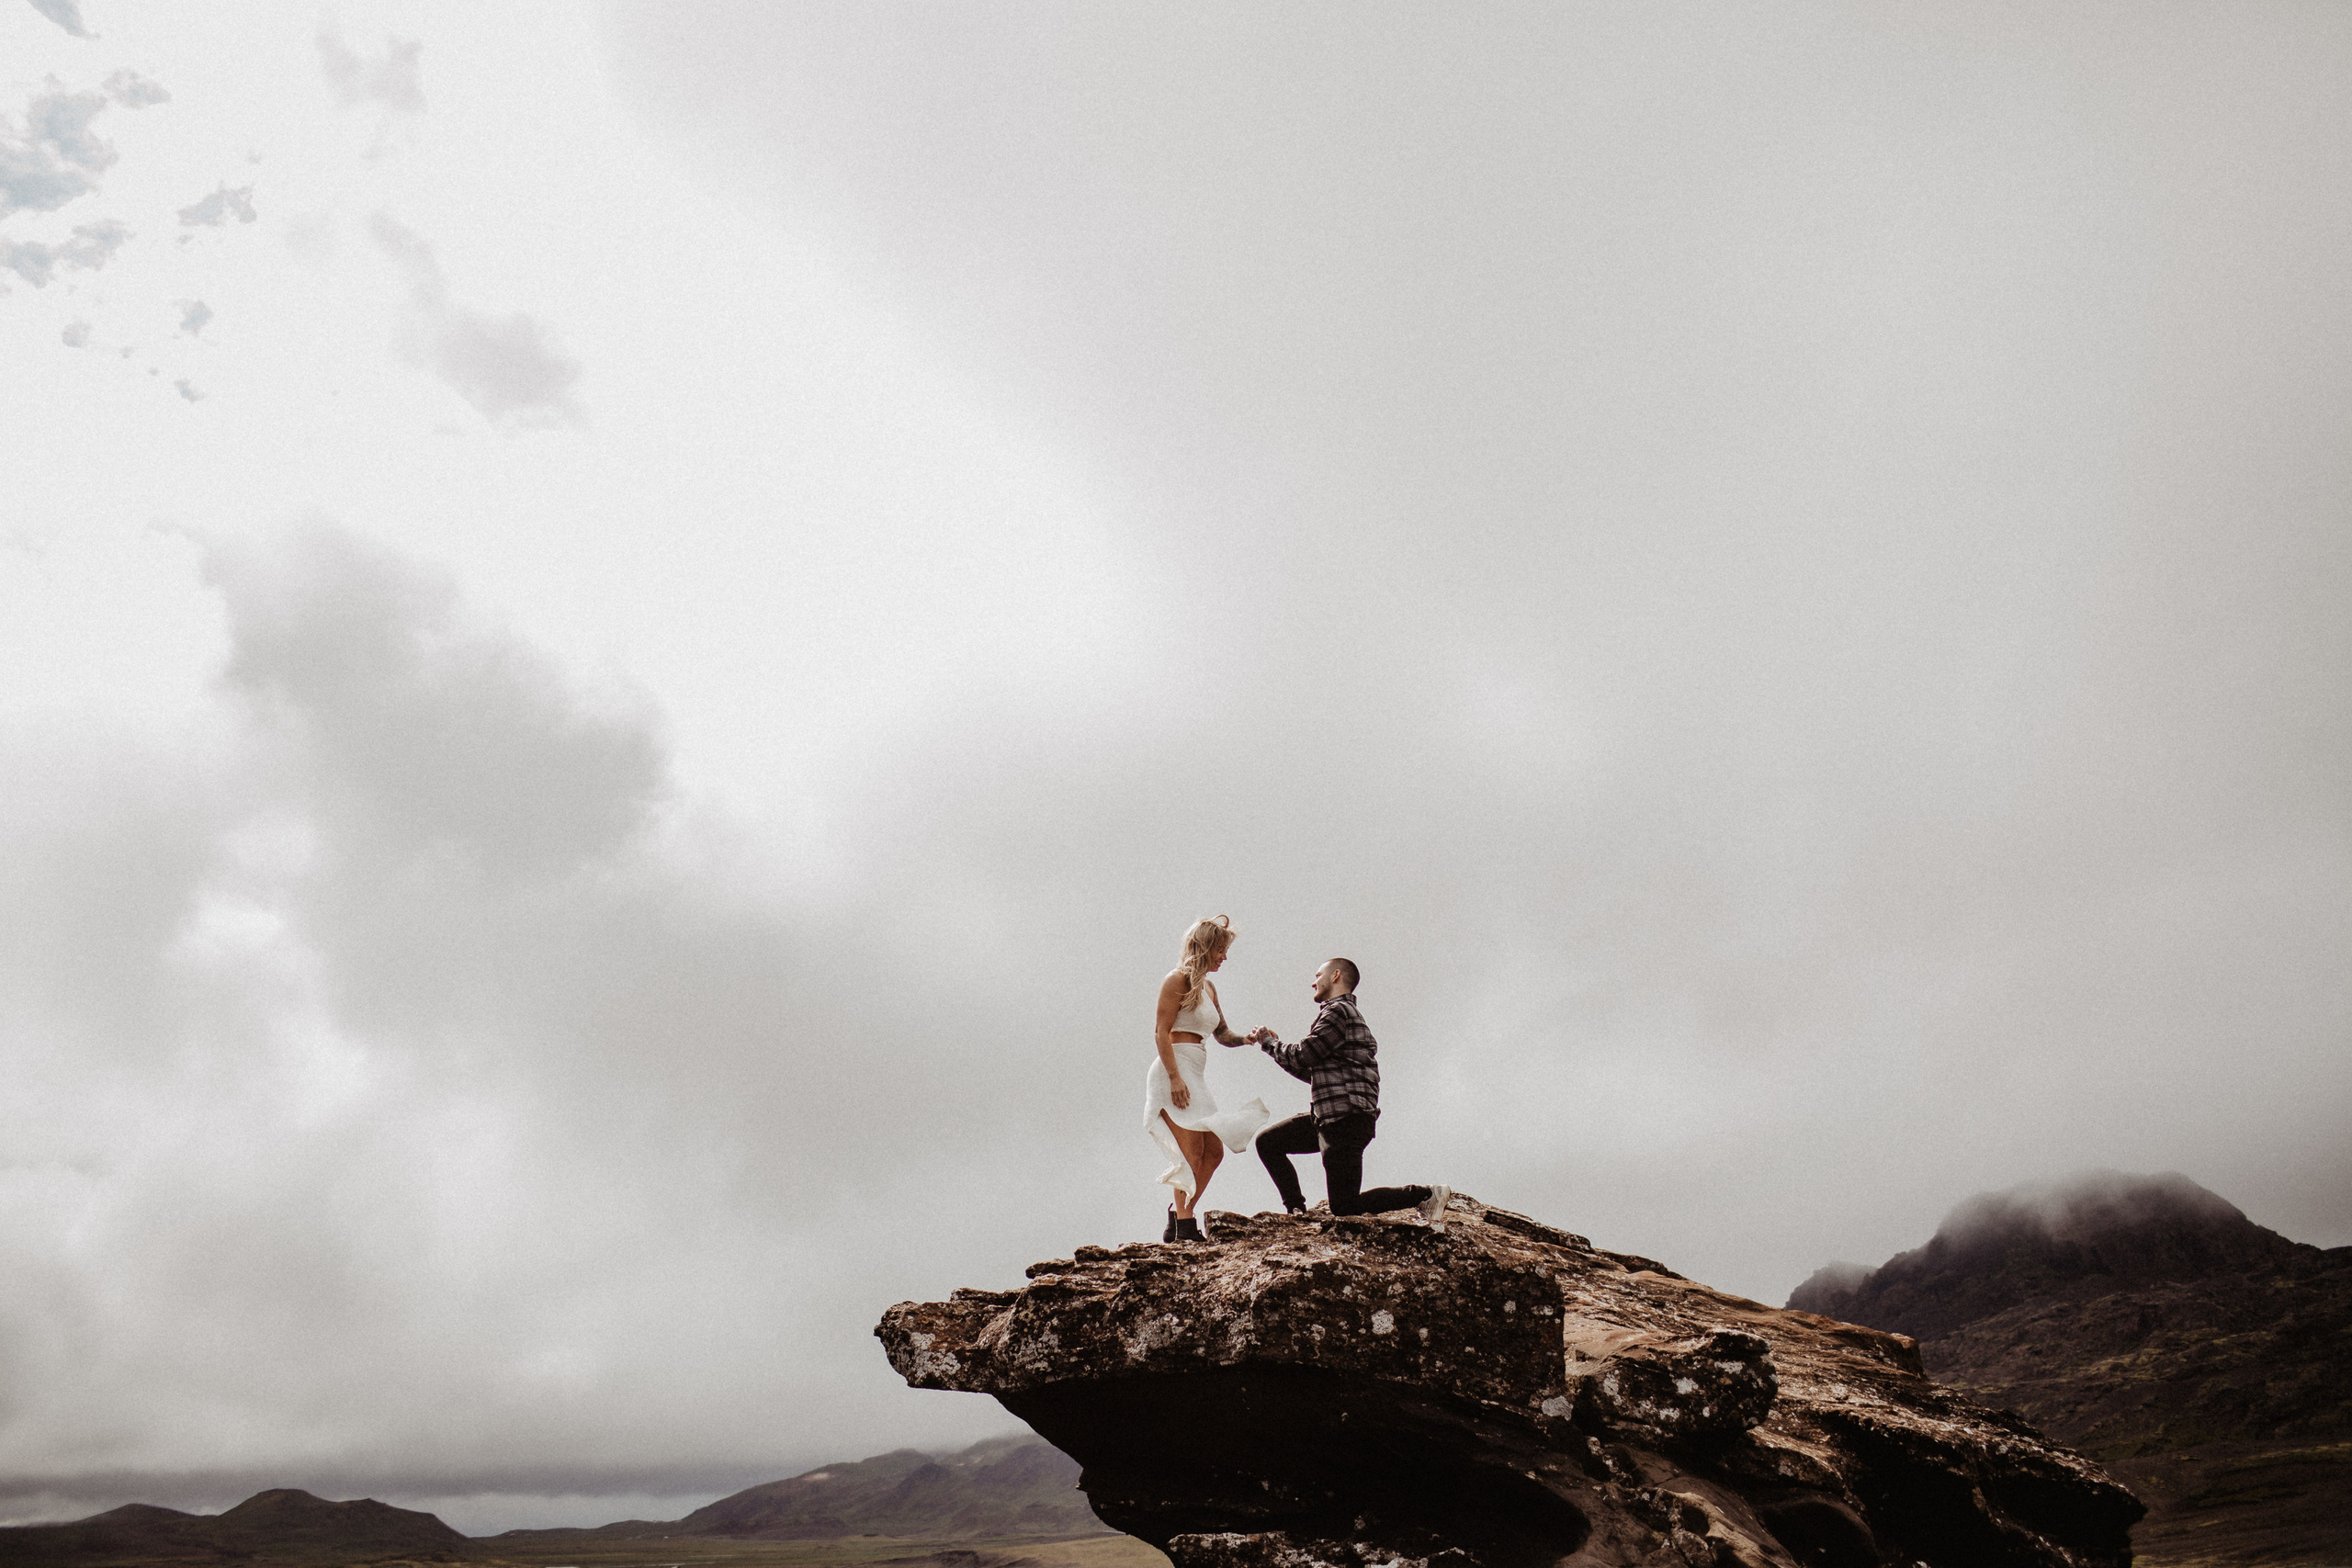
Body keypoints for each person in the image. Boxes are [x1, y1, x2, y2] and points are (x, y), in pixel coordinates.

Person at [1250, 958, 1450, 1229]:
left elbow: (1304, 1055)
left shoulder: (1338, 1012)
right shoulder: (1340, 1014)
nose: (1313, 981)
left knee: (1344, 1206)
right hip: (1329, 1118)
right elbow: (1310, 1071)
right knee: (1269, 1143)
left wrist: (1269, 1042)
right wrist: (1272, 1049)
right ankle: (1296, 1210)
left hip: (1346, 1119)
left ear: (1335, 976)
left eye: (1318, 974)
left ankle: (1426, 1195)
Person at [1144, 916, 1271, 1242]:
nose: (1224, 957)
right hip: (1174, 1070)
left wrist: (1247, 1039)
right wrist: (1174, 1078)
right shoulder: (1177, 980)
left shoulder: (1210, 988)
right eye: (1221, 950)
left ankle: (1177, 1216)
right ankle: (1186, 1228)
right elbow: (1160, 1032)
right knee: (1191, 1153)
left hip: (1196, 1073)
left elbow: (1222, 1033)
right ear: (1205, 947)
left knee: (1214, 1151)